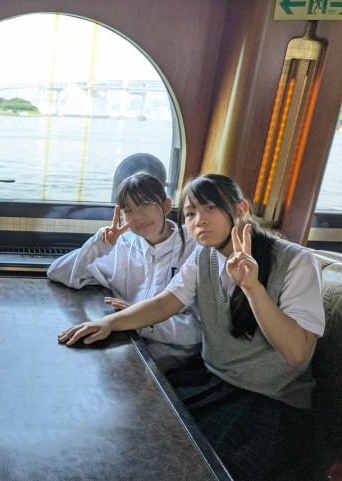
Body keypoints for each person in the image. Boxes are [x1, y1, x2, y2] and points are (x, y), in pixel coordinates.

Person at [58, 174, 325, 481]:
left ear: (241, 209)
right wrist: (107, 322)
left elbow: (295, 353)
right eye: (190, 213)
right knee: (138, 430)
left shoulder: (296, 262)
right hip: (214, 381)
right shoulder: (204, 255)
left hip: (270, 401)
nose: (200, 221)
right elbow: (164, 304)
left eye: (210, 208)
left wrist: (252, 288)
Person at [47, 172, 201, 371]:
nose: (138, 216)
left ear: (166, 205)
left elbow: (197, 328)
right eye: (128, 210)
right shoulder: (122, 245)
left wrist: (137, 319)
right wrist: (99, 245)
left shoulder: (195, 247)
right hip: (127, 339)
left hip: (176, 352)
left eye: (146, 204)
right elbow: (57, 273)